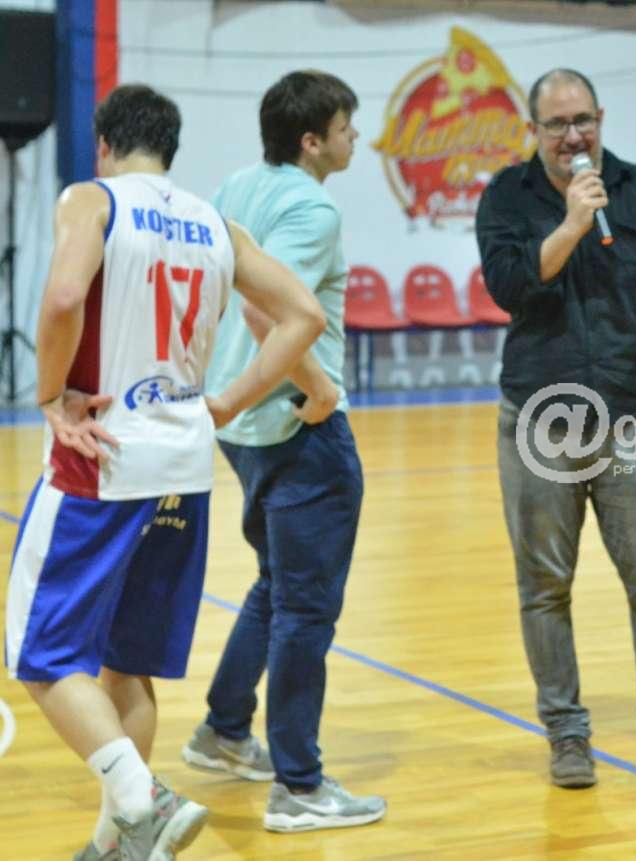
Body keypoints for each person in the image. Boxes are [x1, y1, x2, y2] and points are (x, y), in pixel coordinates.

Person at [4, 83, 325, 861]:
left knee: (39, 650)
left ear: (104, 145)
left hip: (102, 456)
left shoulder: (93, 198)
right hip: (184, 460)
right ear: (169, 149)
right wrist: (226, 403)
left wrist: (48, 394)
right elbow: (305, 316)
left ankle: (141, 795)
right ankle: (122, 843)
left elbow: (65, 295)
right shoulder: (216, 223)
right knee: (127, 663)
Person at [475, 68, 636, 788]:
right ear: (534, 130)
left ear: (601, 118)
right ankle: (567, 734)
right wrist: (571, 225)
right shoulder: (506, 196)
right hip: (541, 420)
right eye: (557, 124)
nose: (573, 135)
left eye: (583, 120)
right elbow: (510, 287)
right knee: (545, 586)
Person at [179, 70, 385, 832]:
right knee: (306, 608)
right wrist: (319, 388)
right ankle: (299, 785)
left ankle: (224, 729)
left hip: (248, 431)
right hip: (295, 424)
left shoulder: (237, 185)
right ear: (312, 140)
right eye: (346, 126)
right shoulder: (313, 208)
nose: (355, 137)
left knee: (277, 585)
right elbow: (270, 312)